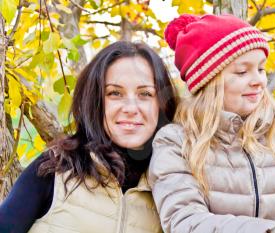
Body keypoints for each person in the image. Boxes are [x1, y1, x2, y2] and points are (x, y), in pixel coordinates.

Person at [148, 14, 275, 233]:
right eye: (242, 71)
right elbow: (186, 222)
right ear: (209, 82)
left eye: (261, 69)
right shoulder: (177, 143)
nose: (258, 80)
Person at [0, 41, 177, 233]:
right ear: (95, 101)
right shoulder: (53, 170)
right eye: (115, 93)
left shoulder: (172, 187)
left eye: (145, 94)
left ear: (162, 106)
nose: (131, 108)